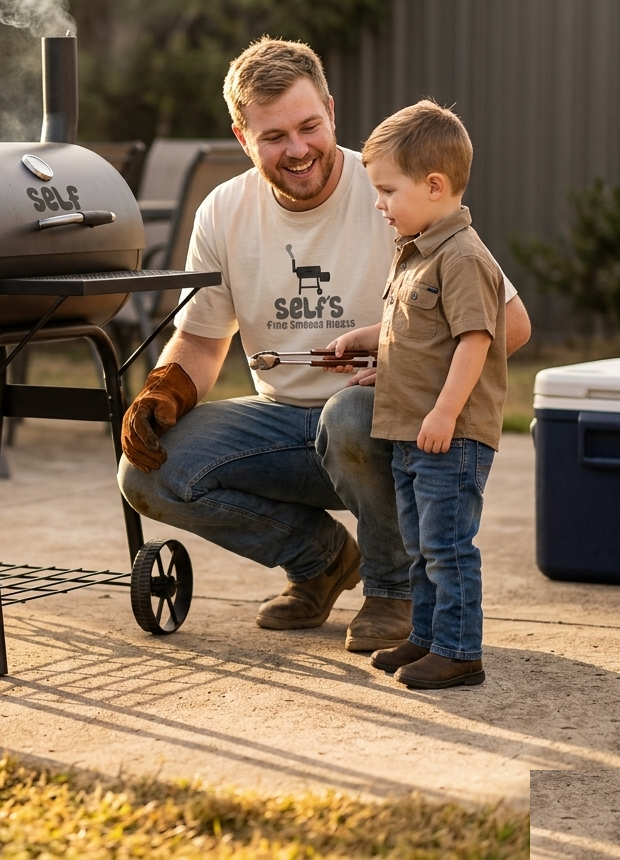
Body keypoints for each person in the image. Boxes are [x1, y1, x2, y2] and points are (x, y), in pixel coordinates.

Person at [118, 37, 530, 652]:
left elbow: (511, 325)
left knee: (350, 414)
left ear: (332, 113)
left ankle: (394, 590)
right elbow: (203, 341)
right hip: (285, 428)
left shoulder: (393, 191)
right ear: (242, 136)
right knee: (147, 474)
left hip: (389, 430)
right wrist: (164, 389)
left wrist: (401, 371)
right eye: (274, 136)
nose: (298, 149)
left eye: (309, 126)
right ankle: (322, 562)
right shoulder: (223, 211)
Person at [329, 101, 504, 688]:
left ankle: (460, 651)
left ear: (434, 186)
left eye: (387, 191)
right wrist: (369, 339)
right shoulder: (417, 252)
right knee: (420, 546)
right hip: (411, 431)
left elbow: (475, 340)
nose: (379, 204)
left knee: (448, 547)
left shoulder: (463, 258)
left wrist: (446, 412)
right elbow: (419, 333)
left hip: (448, 436)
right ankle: (426, 638)